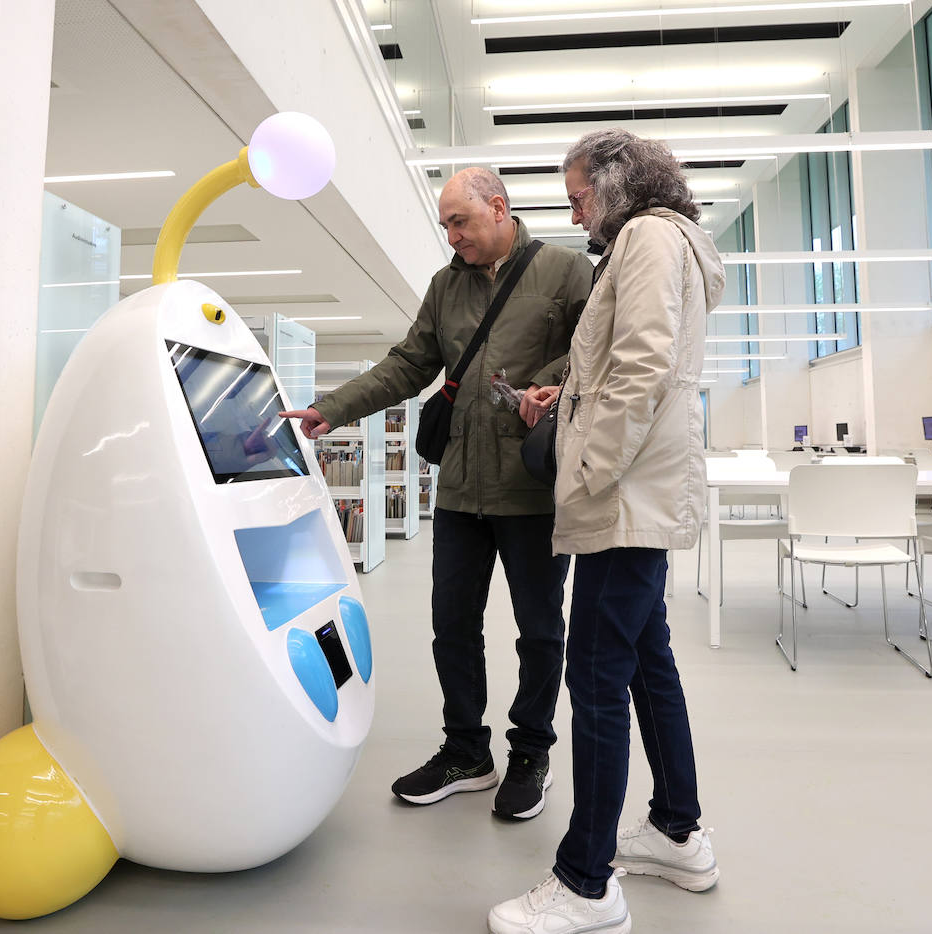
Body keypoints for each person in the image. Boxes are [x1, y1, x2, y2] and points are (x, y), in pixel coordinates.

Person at [280, 167, 593, 821]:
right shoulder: (445, 287)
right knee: (452, 627)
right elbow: (408, 362)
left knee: (540, 632)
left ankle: (530, 753)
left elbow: (600, 348)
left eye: (462, 222)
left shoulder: (565, 272)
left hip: (533, 490)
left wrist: (556, 382)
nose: (453, 237)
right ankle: (465, 753)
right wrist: (330, 409)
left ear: (499, 209)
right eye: (446, 225)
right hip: (458, 491)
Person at [488, 130, 725, 933]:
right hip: (638, 488)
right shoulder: (663, 240)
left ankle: (586, 883)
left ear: (618, 185)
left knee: (592, 676)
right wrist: (575, 404)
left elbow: (644, 364)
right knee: (645, 660)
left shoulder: (647, 237)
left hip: (622, 497)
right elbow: (627, 368)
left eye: (579, 195)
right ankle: (678, 831)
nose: (575, 210)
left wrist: (588, 463)